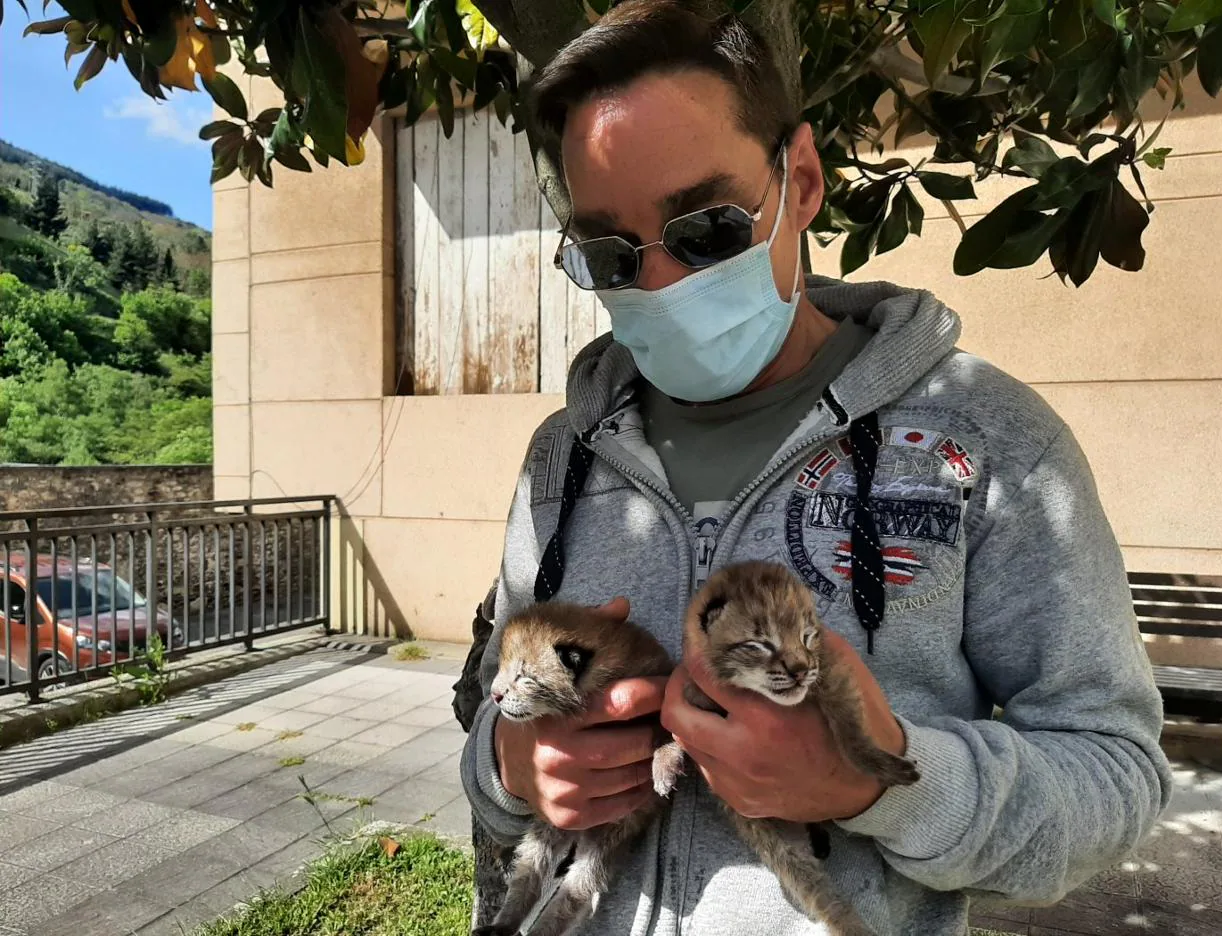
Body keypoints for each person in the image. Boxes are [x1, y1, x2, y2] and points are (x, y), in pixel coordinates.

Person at [458, 0, 1173, 932]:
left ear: (799, 179)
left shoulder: (990, 443)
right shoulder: (564, 454)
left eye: (705, 228)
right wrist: (508, 767)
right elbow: (487, 689)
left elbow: (1114, 771)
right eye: (610, 252)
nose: (661, 284)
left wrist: (876, 784)